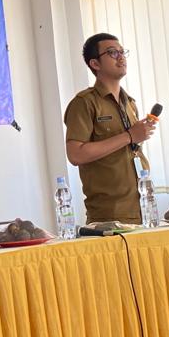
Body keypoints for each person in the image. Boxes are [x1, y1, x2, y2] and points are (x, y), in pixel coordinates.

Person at [64, 33, 155, 223]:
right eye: (112, 52)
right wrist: (129, 136)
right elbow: (76, 155)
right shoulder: (84, 103)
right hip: (109, 214)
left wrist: (137, 135)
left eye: (122, 52)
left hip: (142, 208)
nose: (121, 57)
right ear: (95, 64)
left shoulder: (129, 103)